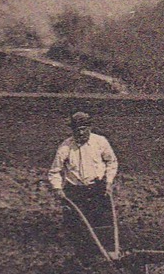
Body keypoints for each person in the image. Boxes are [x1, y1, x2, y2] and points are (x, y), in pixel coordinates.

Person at [47, 111, 119, 262]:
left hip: (97, 188)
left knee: (100, 222)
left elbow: (112, 162)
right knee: (77, 226)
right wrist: (58, 189)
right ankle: (82, 257)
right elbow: (54, 171)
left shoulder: (100, 142)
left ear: (90, 127)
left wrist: (109, 182)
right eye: (77, 129)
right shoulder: (65, 147)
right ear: (72, 130)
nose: (80, 132)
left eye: (83, 128)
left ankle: (105, 255)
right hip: (75, 191)